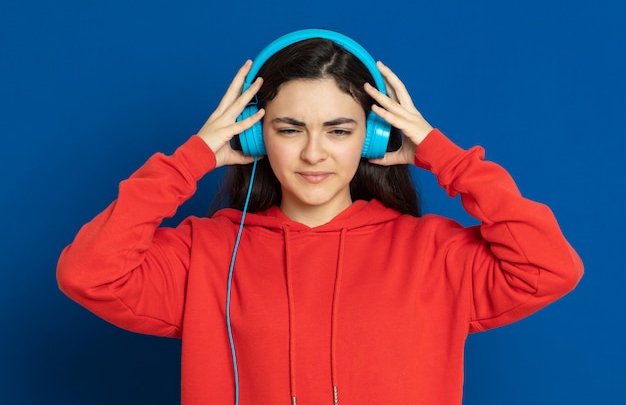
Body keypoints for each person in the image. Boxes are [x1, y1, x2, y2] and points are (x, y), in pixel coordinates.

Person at [57, 29, 583, 405]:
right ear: (256, 135)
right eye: (289, 129)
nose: (314, 154)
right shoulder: (206, 253)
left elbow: (551, 267)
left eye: (338, 130)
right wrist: (190, 159)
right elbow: (89, 274)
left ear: (374, 137)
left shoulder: (434, 254)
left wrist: (444, 157)